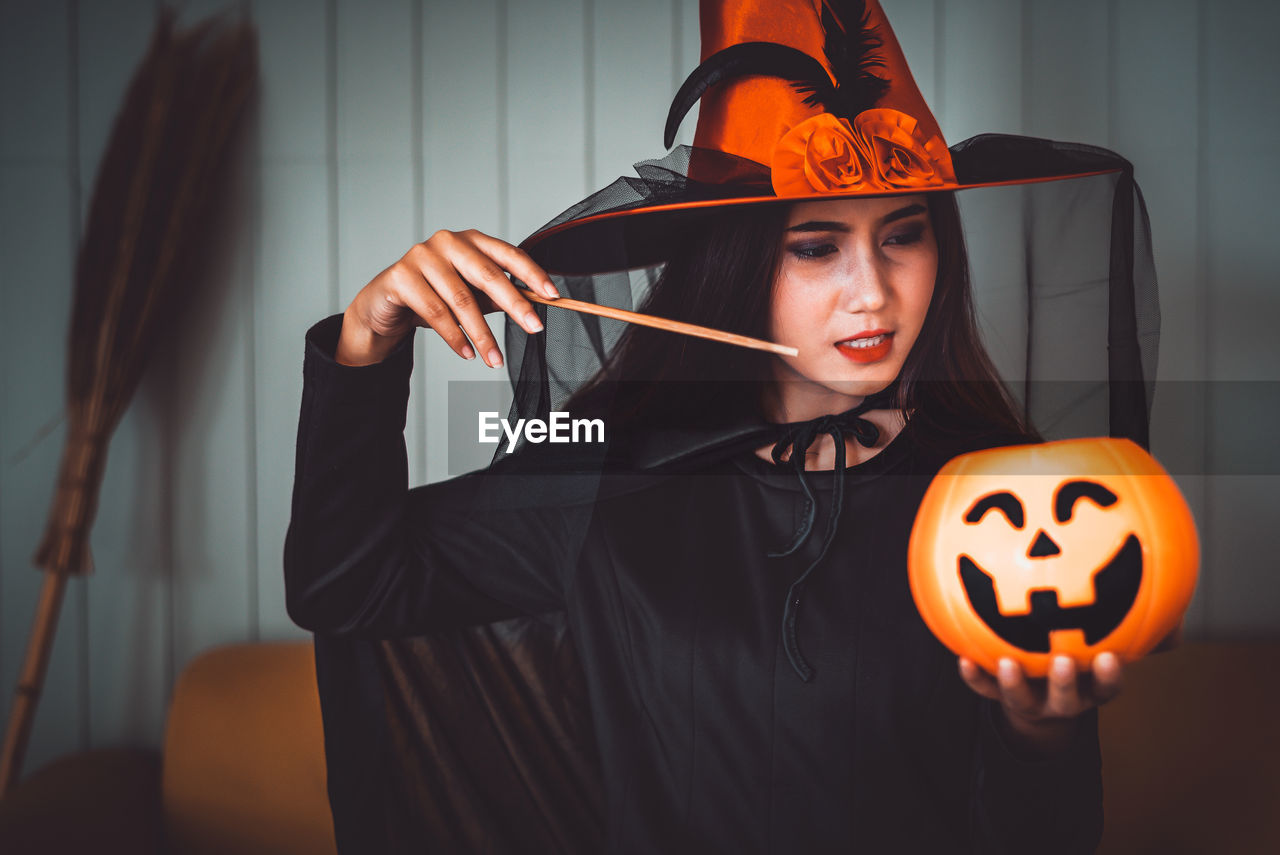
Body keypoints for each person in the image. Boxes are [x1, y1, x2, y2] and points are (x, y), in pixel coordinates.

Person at [285, 1, 1160, 851]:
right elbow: (347, 585)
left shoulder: (1012, 500)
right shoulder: (611, 476)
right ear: (736, 261)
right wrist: (370, 337)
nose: (874, 292)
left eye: (904, 234)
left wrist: (1036, 733)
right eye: (816, 246)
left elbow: (1056, 835)